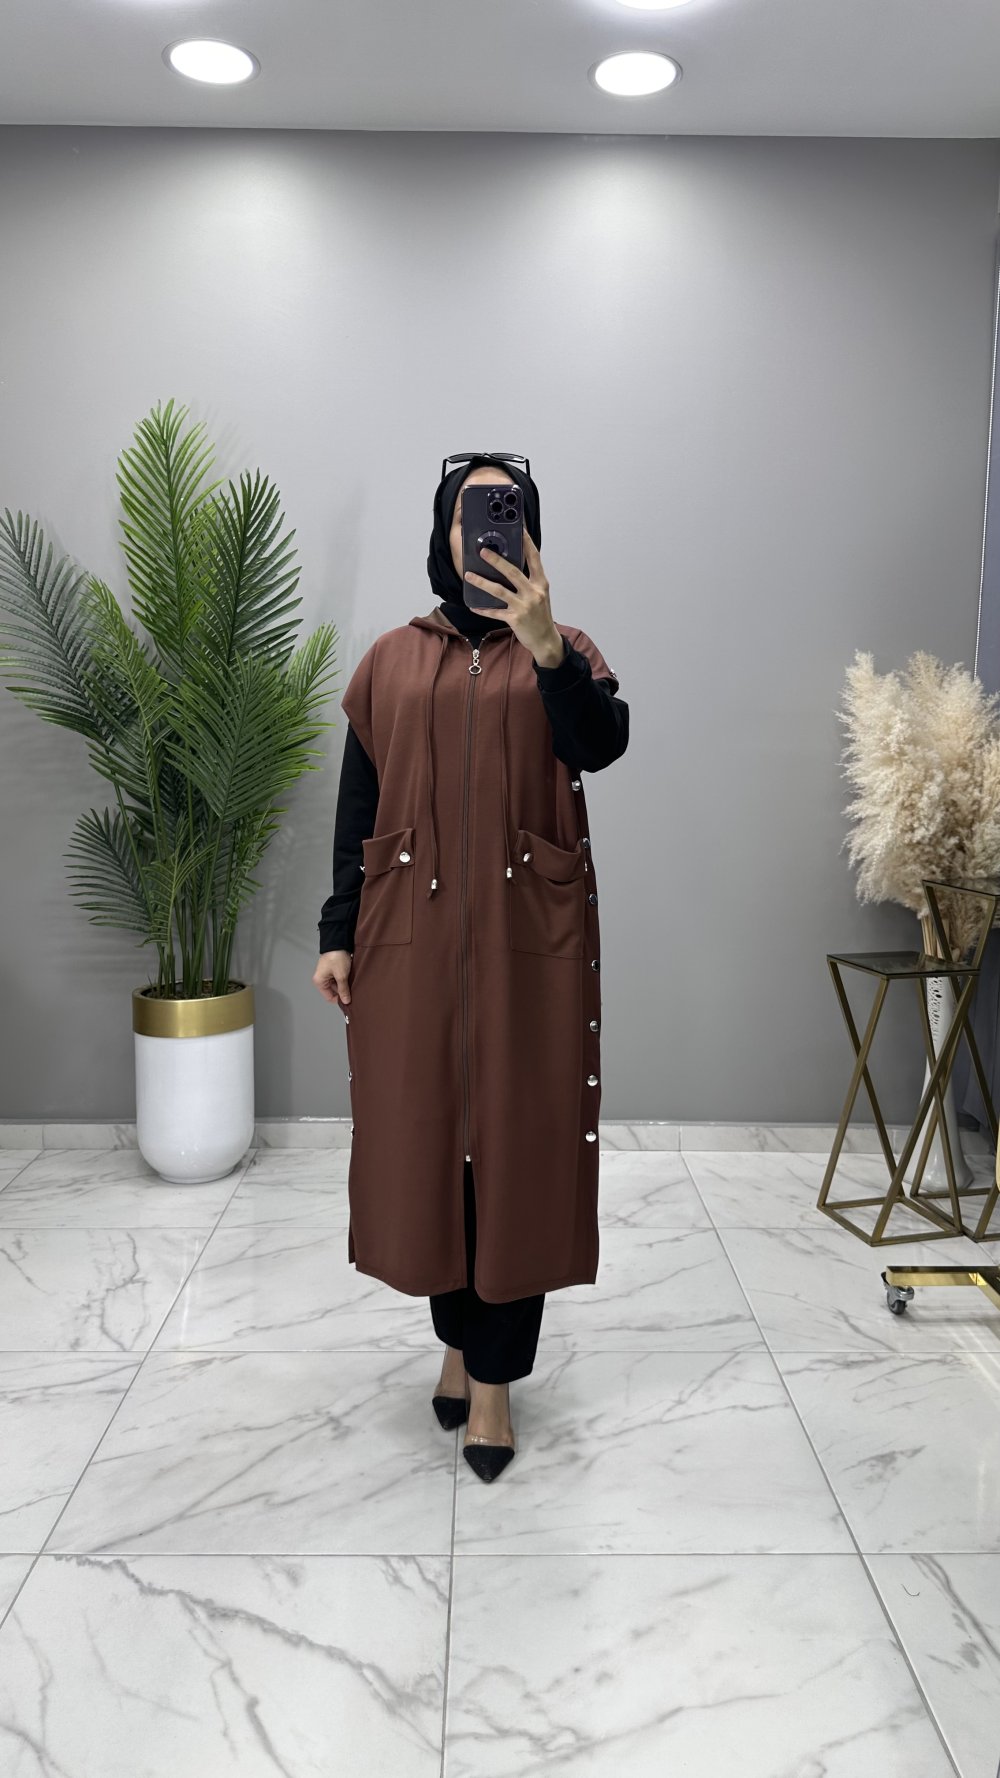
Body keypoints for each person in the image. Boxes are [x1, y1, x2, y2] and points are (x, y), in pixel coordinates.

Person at [313, 452, 629, 1481]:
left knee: (514, 1149)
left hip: (526, 944)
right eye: (470, 512)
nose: (485, 530)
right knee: (430, 1148)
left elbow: (600, 744)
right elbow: (359, 812)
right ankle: (456, 1340)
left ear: (528, 534)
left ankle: (490, 1382)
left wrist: (546, 647)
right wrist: (336, 930)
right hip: (410, 941)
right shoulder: (391, 660)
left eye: (507, 512)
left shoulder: (567, 649)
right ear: (444, 533)